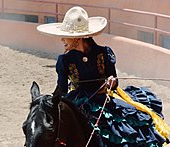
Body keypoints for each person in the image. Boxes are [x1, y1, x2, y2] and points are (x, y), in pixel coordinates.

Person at [37, 6, 169, 146]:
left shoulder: (104, 53)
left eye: (66, 36)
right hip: (79, 103)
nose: (62, 40)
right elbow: (62, 89)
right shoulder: (64, 60)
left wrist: (112, 82)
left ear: (77, 38)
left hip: (104, 99)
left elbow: (114, 80)